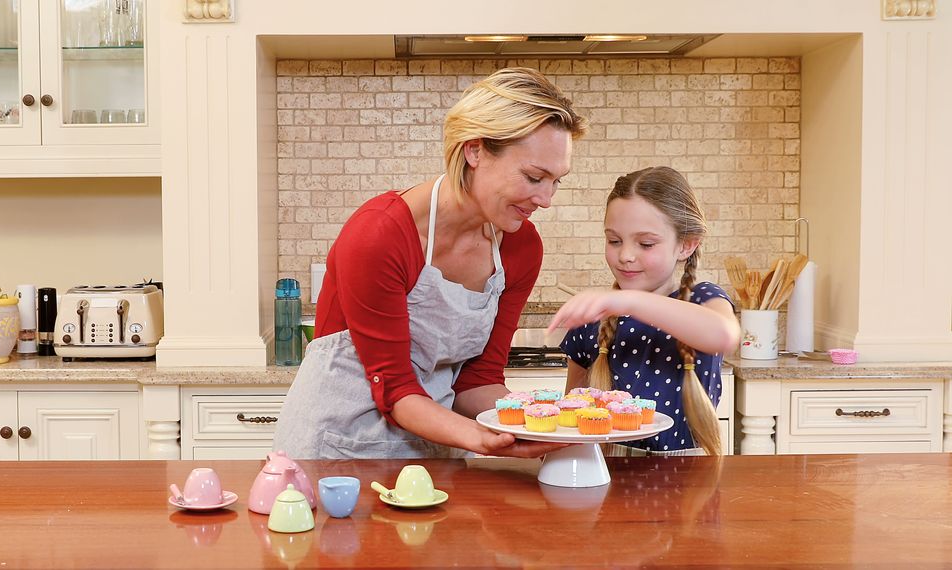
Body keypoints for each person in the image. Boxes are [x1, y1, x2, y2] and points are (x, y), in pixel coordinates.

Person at [273, 67, 587, 459]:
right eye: (533, 176)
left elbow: (478, 380)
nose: (546, 199)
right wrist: (482, 439)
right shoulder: (379, 235)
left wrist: (541, 422)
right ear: (475, 150)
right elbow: (395, 389)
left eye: (557, 181)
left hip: (434, 446)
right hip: (336, 447)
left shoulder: (520, 249)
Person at [548, 166, 740, 456]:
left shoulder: (702, 299)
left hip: (687, 485)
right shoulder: (595, 319)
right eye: (614, 240)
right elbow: (573, 412)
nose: (625, 255)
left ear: (686, 245)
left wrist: (628, 302)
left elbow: (723, 335)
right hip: (605, 478)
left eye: (646, 243)